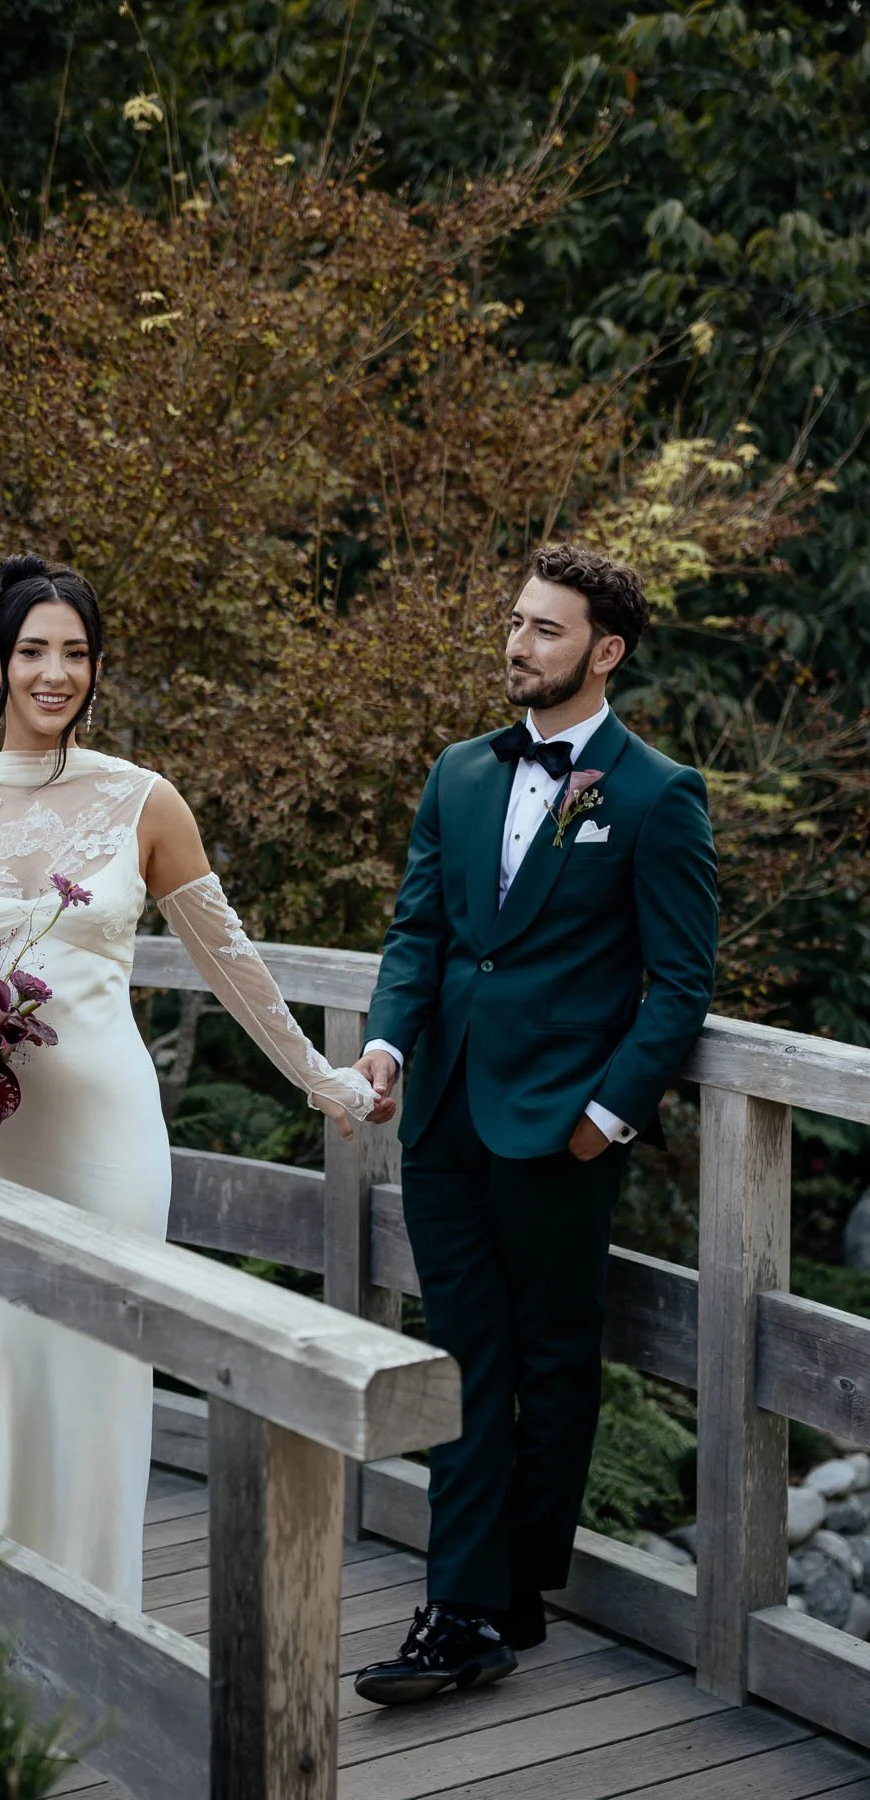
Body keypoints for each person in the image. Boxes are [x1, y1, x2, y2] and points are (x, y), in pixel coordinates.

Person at [0, 552, 380, 1607]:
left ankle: (89, 1620)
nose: (53, 673)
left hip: (105, 1141)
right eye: (32, 652)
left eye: (74, 653)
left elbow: (229, 958)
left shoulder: (143, 801)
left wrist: (316, 1078)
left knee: (89, 1374)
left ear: (97, 669)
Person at [351, 542, 718, 1705]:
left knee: (553, 1365)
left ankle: (503, 1598)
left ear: (604, 653)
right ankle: (462, 1608)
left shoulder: (657, 796)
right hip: (444, 1114)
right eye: (516, 622)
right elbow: (420, 934)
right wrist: (385, 1038)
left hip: (560, 1128)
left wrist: (603, 1118)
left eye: (546, 629)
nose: (519, 644)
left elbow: (680, 983)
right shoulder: (458, 772)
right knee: (460, 1355)